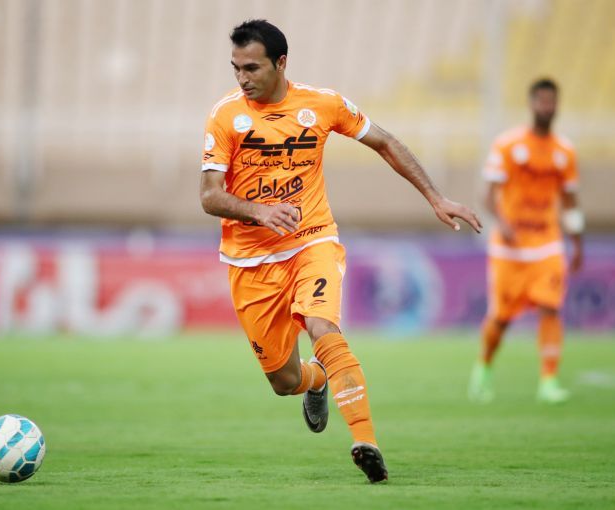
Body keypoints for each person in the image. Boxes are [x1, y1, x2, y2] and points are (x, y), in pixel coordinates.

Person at [199, 19, 482, 483]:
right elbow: (209, 196)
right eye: (236, 68)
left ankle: (365, 441)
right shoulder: (225, 116)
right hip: (250, 261)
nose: (242, 78)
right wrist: (259, 211)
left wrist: (435, 197)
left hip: (311, 240)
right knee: (284, 382)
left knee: (322, 325)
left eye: (251, 68)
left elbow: (385, 142)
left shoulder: (323, 104)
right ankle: (317, 379)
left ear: (281, 63)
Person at [469, 78, 584, 404]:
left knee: (550, 308)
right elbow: (487, 194)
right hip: (511, 248)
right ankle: (483, 366)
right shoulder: (508, 145)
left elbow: (570, 202)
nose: (548, 107)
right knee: (501, 318)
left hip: (547, 243)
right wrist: (502, 223)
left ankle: (549, 380)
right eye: (542, 101)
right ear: (532, 103)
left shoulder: (565, 152)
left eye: (552, 101)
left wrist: (578, 243)